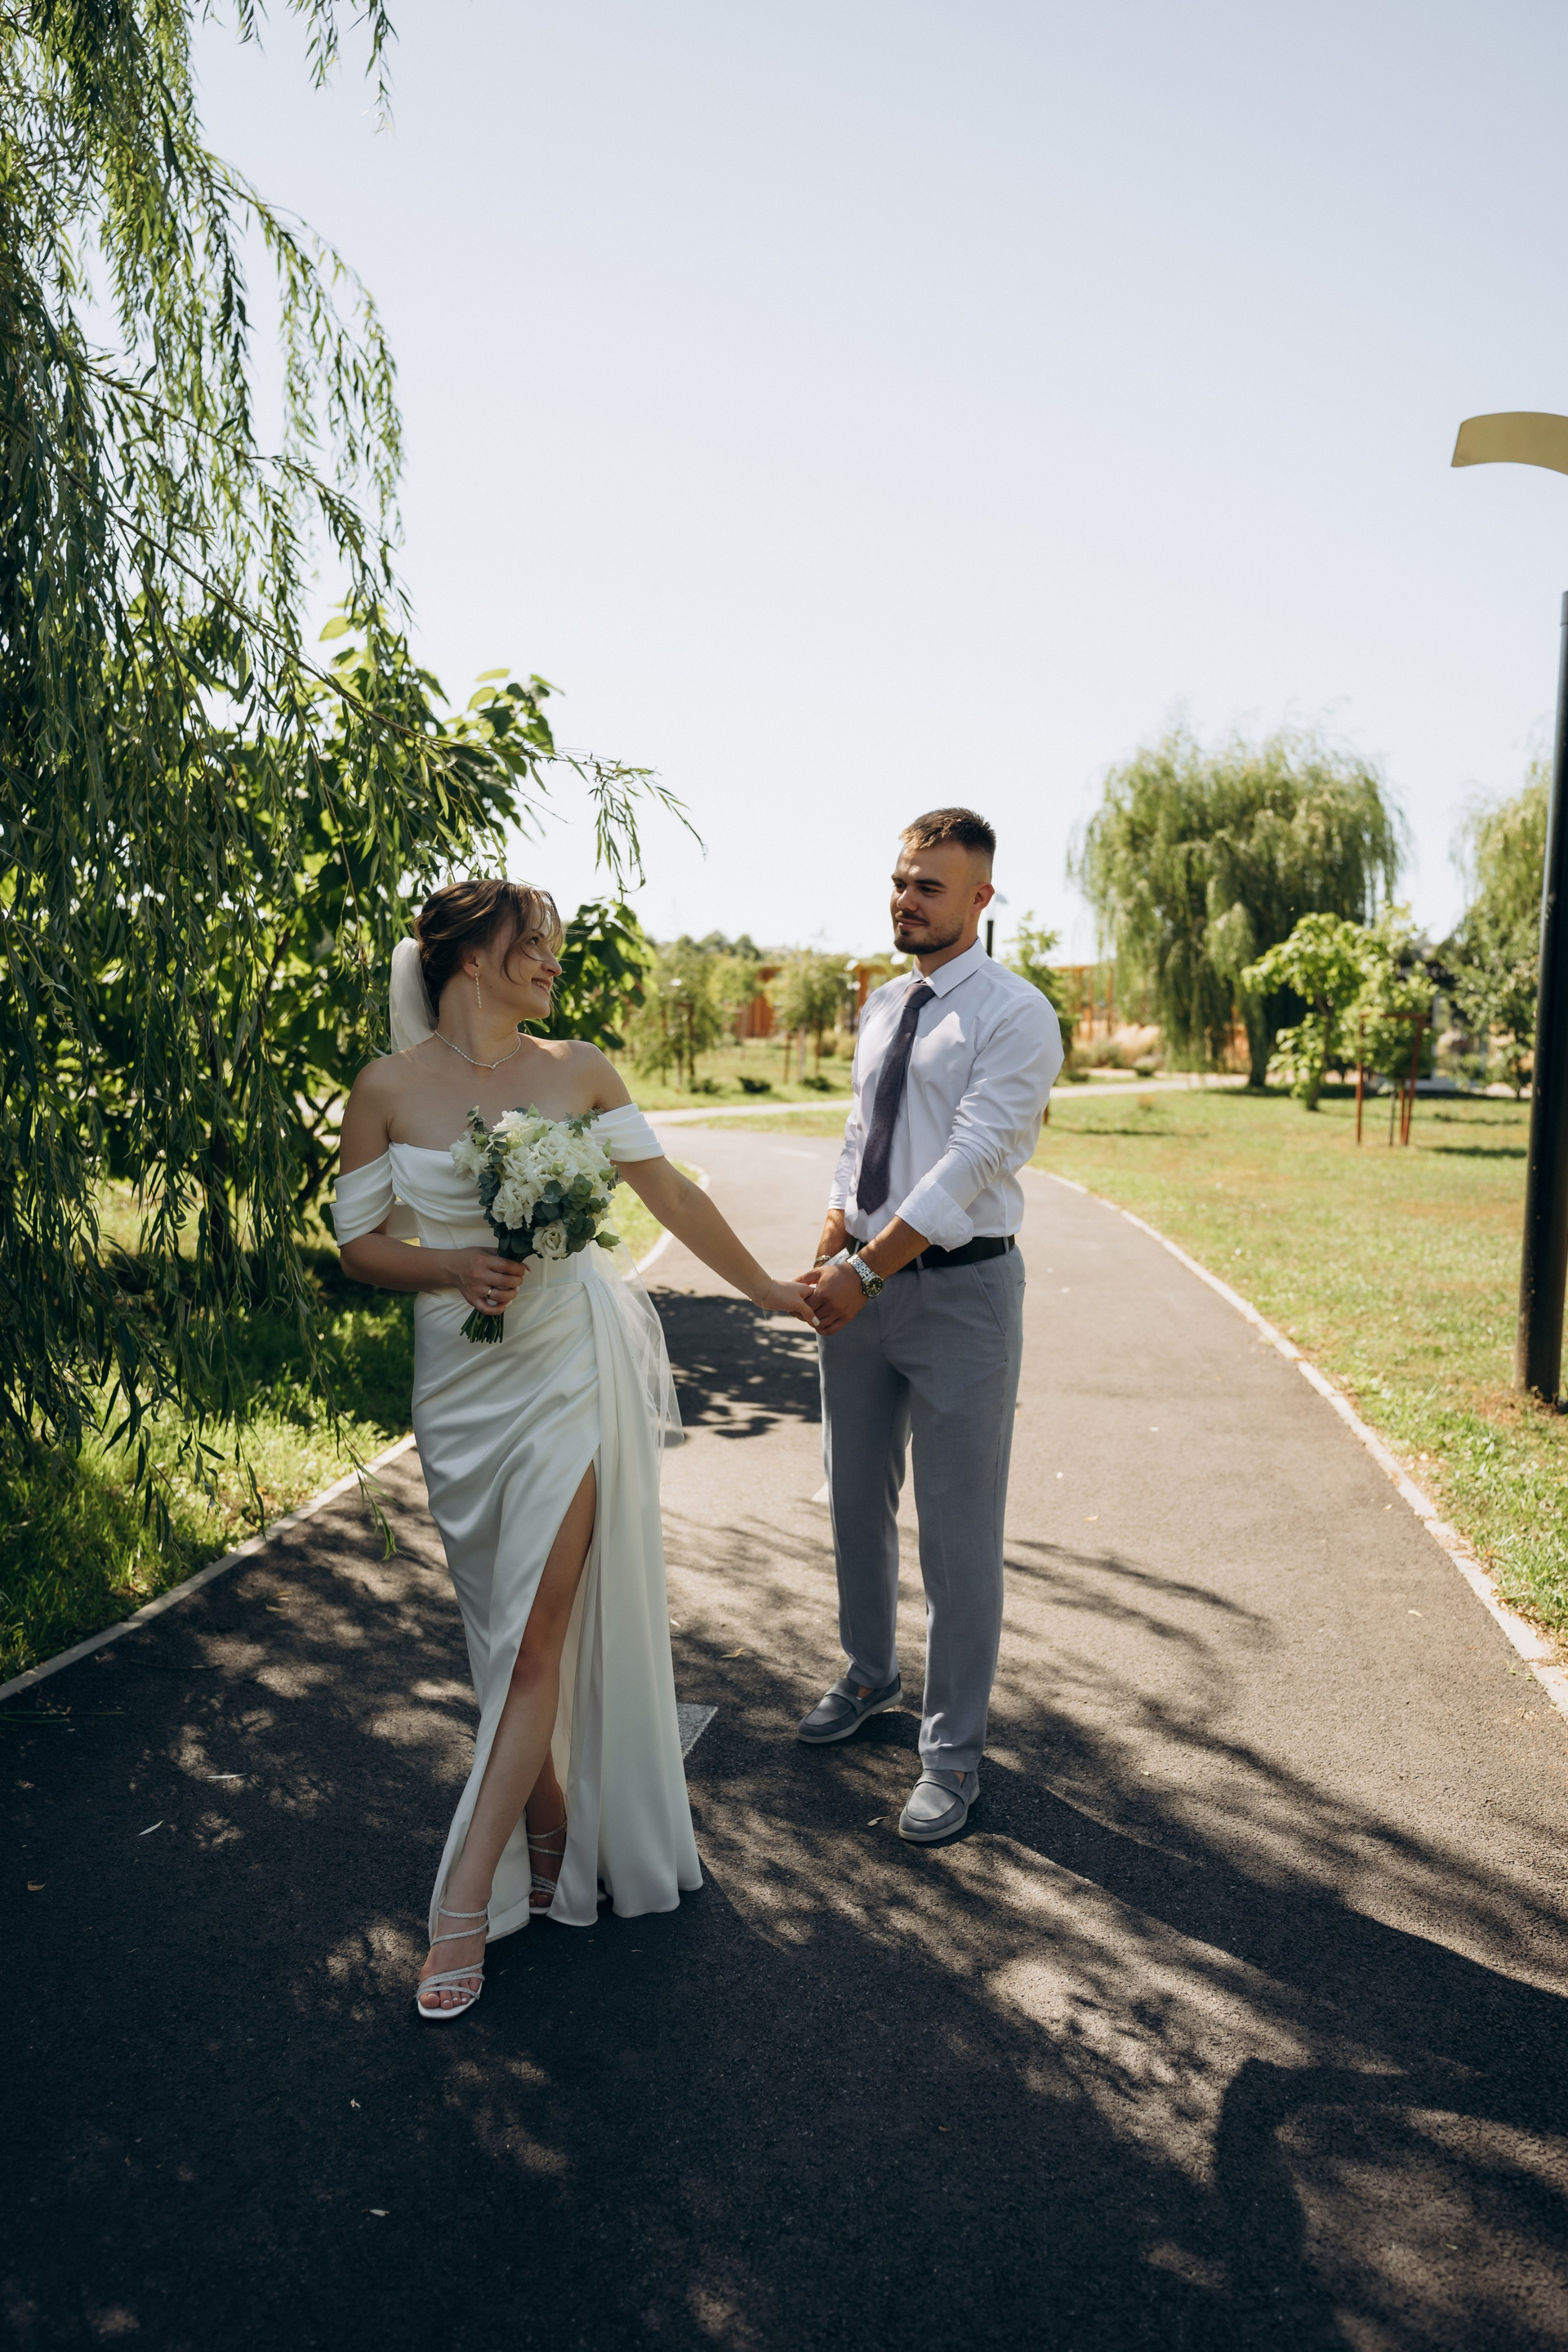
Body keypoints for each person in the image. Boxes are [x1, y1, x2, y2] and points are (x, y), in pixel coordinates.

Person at [333, 879, 812, 2020]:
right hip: (459, 1386)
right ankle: (550, 1829)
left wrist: (770, 1291)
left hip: (567, 1367)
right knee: (501, 1639)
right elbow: (358, 1244)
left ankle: (464, 1903)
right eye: (533, 943)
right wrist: (451, 1266)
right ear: (468, 957)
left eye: (555, 944)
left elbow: (670, 1196)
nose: (554, 960)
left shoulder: (580, 1070)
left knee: (537, 1637)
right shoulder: (386, 1089)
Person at [798, 808, 1062, 1842]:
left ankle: (951, 1758)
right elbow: (861, 1137)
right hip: (862, 1284)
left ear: (981, 900)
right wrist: (834, 1237)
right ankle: (870, 1675)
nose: (906, 900)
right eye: (901, 881)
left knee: (958, 1538)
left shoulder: (1016, 1014)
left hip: (961, 1296)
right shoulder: (882, 1004)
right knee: (853, 1500)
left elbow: (974, 1160)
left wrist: (866, 1269)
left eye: (929, 887)